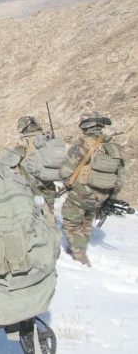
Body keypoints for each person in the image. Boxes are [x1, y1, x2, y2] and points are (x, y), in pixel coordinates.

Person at [59, 111, 126, 267]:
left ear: (84, 126)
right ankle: (81, 246)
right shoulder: (115, 147)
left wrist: (68, 181)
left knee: (72, 223)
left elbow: (65, 171)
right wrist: (112, 197)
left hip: (81, 193)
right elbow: (121, 176)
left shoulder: (82, 145)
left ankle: (80, 257)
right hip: (102, 194)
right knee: (87, 221)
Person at [13, 116, 59, 210]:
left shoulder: (24, 140)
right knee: (50, 208)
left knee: (36, 210)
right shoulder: (47, 137)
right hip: (48, 179)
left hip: (32, 181)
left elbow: (14, 160)